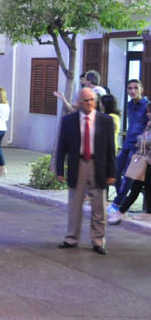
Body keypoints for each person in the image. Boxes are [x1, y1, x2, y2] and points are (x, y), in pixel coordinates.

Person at [55, 88, 116, 255]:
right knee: (75, 204)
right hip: (78, 164)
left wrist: (112, 173)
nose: (89, 103)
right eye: (85, 100)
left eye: (91, 100)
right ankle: (71, 238)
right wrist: (59, 169)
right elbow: (61, 147)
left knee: (99, 206)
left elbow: (111, 148)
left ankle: (98, 241)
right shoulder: (68, 121)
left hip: (98, 165)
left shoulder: (106, 121)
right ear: (78, 103)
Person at [108, 79, 149, 220]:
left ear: (141, 89)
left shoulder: (147, 105)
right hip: (126, 144)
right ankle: (124, 201)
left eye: (135, 88)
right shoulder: (130, 104)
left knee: (128, 177)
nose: (132, 91)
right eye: (130, 88)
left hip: (137, 147)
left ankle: (118, 203)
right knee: (115, 172)